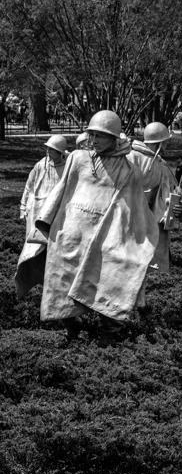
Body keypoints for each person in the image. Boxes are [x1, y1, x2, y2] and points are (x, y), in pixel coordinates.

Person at [34, 111, 158, 345]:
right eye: (92, 134)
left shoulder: (128, 169)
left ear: (114, 138)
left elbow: (132, 208)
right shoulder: (77, 158)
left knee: (108, 283)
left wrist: (130, 241)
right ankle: (71, 326)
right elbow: (62, 190)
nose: (95, 140)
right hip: (71, 236)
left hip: (105, 238)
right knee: (60, 283)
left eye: (101, 135)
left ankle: (108, 335)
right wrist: (46, 221)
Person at [14, 135, 69, 298]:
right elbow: (29, 187)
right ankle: (35, 278)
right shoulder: (40, 165)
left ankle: (56, 282)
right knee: (33, 248)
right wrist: (23, 208)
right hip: (36, 214)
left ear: (60, 152)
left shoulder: (68, 167)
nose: (48, 151)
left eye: (52, 149)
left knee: (54, 249)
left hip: (56, 216)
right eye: (48, 148)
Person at [127, 122, 179, 273]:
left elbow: (170, 192)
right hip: (136, 218)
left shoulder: (160, 164)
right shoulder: (132, 158)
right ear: (161, 143)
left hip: (156, 221)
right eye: (166, 141)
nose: (167, 144)